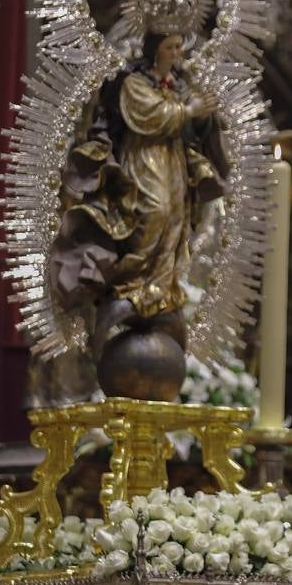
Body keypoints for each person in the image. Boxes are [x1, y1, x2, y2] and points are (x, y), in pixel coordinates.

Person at [50, 26, 227, 352]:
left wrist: (203, 116)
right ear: (155, 50)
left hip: (172, 162)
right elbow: (147, 116)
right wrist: (187, 110)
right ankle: (133, 283)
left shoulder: (176, 85)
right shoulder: (134, 83)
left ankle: (159, 288)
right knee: (153, 214)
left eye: (179, 46)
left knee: (174, 220)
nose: (178, 53)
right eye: (171, 46)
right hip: (143, 161)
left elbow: (194, 123)